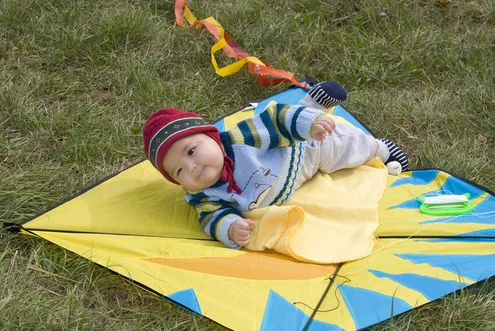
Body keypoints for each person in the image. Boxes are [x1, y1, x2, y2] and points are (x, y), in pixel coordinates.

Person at [142, 82, 409, 249]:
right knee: (308, 126)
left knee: (341, 149)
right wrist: (230, 228)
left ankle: (380, 148)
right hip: (292, 175)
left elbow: (276, 119)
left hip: (303, 153)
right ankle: (312, 104)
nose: (190, 167)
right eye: (178, 171)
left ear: (213, 138)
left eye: (191, 151)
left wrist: (308, 126)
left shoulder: (240, 139)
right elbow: (211, 218)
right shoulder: (203, 195)